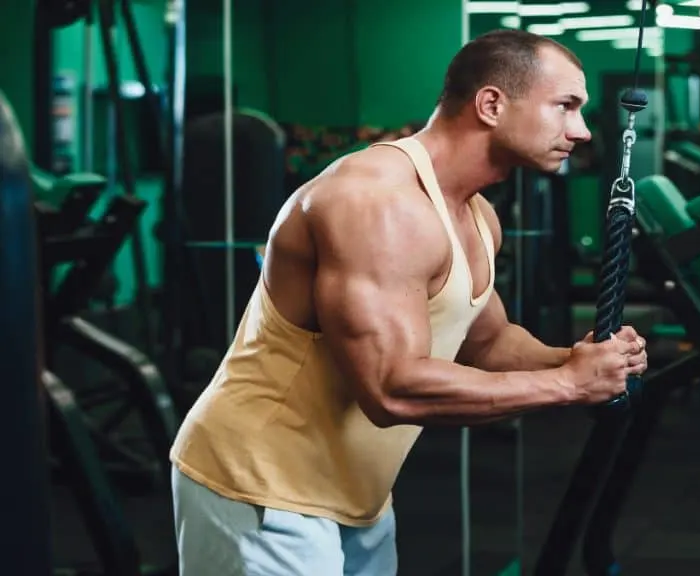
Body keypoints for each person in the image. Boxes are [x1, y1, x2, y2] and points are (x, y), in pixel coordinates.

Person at [169, 29, 649, 575]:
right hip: (260, 484)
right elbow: (390, 387)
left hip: (358, 491)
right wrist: (567, 386)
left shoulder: (475, 214)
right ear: (491, 104)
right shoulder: (377, 203)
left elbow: (488, 341)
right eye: (565, 106)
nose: (581, 131)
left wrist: (578, 359)